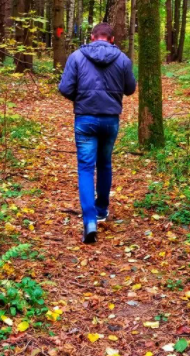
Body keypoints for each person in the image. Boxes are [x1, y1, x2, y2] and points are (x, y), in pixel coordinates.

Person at [58, 23, 137, 243]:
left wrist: (81, 98)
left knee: (85, 167)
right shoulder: (122, 59)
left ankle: (90, 220)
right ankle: (102, 210)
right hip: (110, 119)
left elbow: (65, 88)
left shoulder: (76, 57)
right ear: (111, 39)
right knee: (104, 164)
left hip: (85, 119)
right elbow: (130, 89)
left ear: (92, 37)